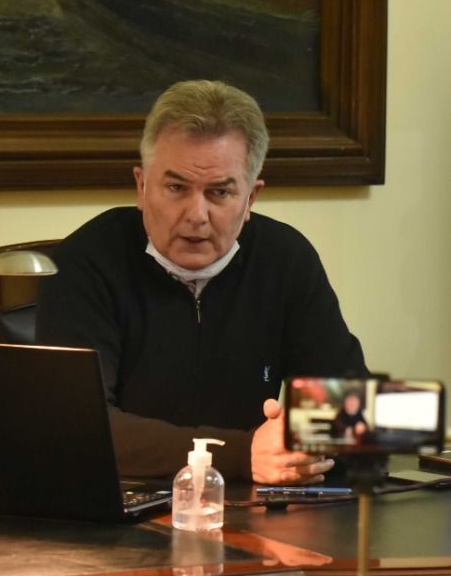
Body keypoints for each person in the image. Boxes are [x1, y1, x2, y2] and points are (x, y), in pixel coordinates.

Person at [36, 80, 366, 485]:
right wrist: (241, 454)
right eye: (176, 188)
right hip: (124, 505)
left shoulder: (286, 259)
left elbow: (359, 414)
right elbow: (79, 427)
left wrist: (295, 444)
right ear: (141, 186)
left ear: (251, 198)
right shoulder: (85, 262)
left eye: (219, 193)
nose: (196, 215)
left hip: (255, 505)